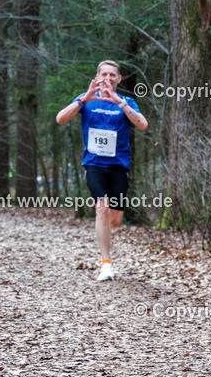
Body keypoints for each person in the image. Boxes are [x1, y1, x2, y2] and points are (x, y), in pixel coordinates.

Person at [56, 61, 147, 281]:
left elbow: (143, 124)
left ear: (118, 79)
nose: (107, 78)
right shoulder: (86, 100)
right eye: (103, 74)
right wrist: (84, 98)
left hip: (119, 166)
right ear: (97, 77)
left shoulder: (127, 101)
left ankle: (106, 237)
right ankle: (106, 265)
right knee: (102, 209)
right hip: (94, 164)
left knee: (115, 219)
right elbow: (60, 118)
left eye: (112, 75)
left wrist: (121, 103)